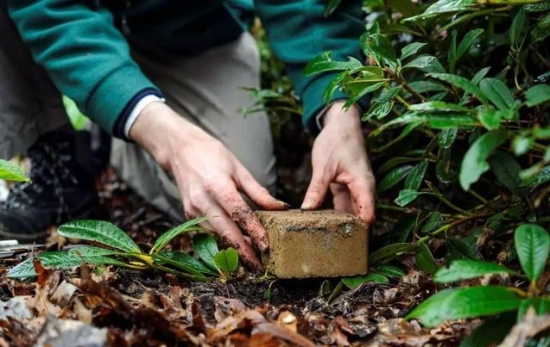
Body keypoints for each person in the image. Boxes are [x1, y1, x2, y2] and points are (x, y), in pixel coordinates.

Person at [0, 0, 375, 270]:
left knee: (236, 201)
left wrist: (339, 107)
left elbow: (308, 9)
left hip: (192, 32)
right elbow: (51, 10)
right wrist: (173, 145)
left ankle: (113, 130)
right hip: (72, 24)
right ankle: (53, 150)